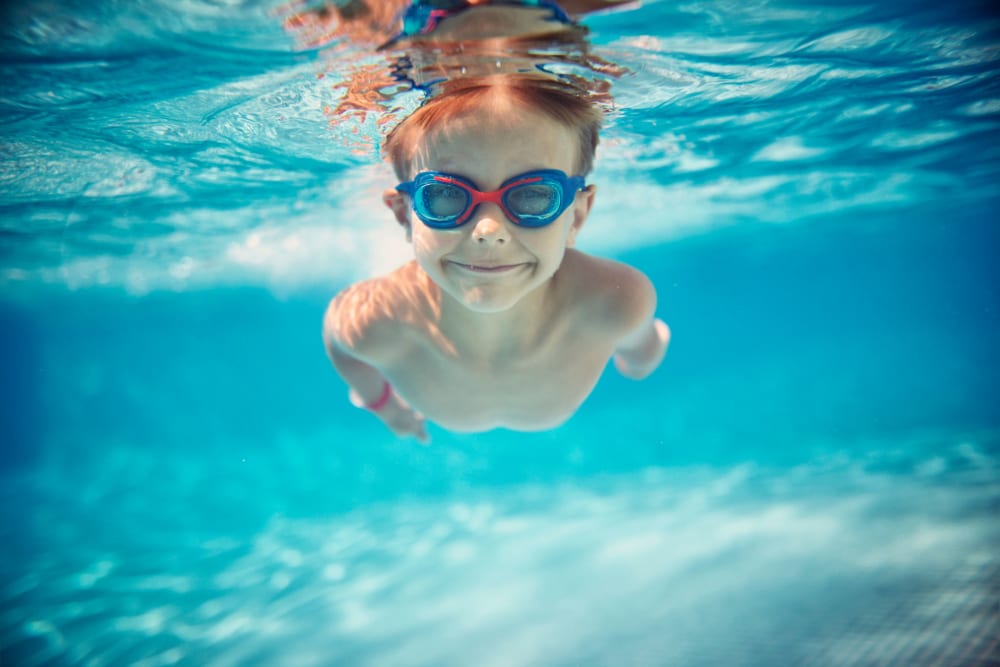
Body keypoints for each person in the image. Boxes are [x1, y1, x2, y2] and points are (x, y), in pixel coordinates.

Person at [323, 75, 669, 442]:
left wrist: (639, 361)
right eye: (444, 195)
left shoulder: (615, 300)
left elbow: (640, 347)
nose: (488, 230)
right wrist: (385, 407)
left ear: (577, 216)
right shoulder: (374, 321)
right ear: (403, 214)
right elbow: (340, 345)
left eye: (534, 194)